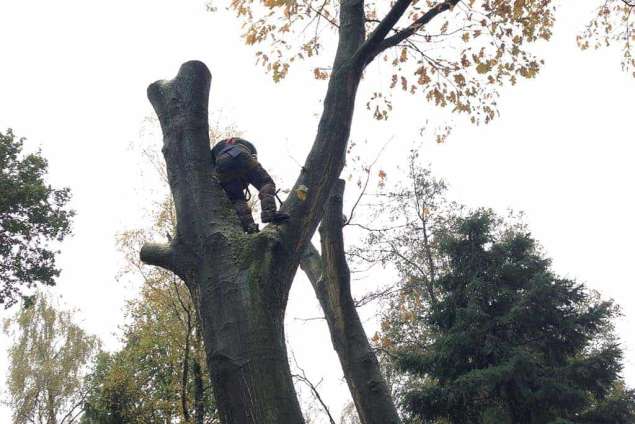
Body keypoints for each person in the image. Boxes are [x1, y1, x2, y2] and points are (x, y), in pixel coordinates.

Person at [211, 137, 289, 233]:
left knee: (237, 199)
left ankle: (250, 228)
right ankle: (269, 213)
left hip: (221, 164)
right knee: (266, 183)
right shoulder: (246, 146)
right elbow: (252, 162)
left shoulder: (216, 150)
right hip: (241, 154)